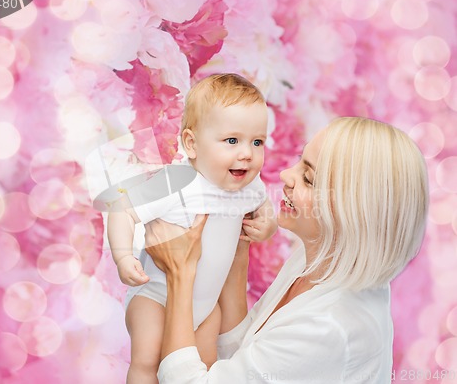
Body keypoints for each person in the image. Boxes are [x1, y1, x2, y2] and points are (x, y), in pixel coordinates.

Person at [143, 116, 429, 383]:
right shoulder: (324, 258)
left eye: (309, 179)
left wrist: (180, 273)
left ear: (353, 213)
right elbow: (245, 352)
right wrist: (238, 249)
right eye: (299, 162)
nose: (284, 175)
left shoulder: (329, 327)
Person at [107, 74, 278, 384]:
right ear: (191, 144)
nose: (247, 153)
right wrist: (123, 256)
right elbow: (123, 209)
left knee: (203, 368)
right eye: (232, 141)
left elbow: (264, 206)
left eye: (257, 142)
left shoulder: (248, 186)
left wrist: (267, 224)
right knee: (147, 362)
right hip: (156, 297)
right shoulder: (176, 182)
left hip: (205, 307)